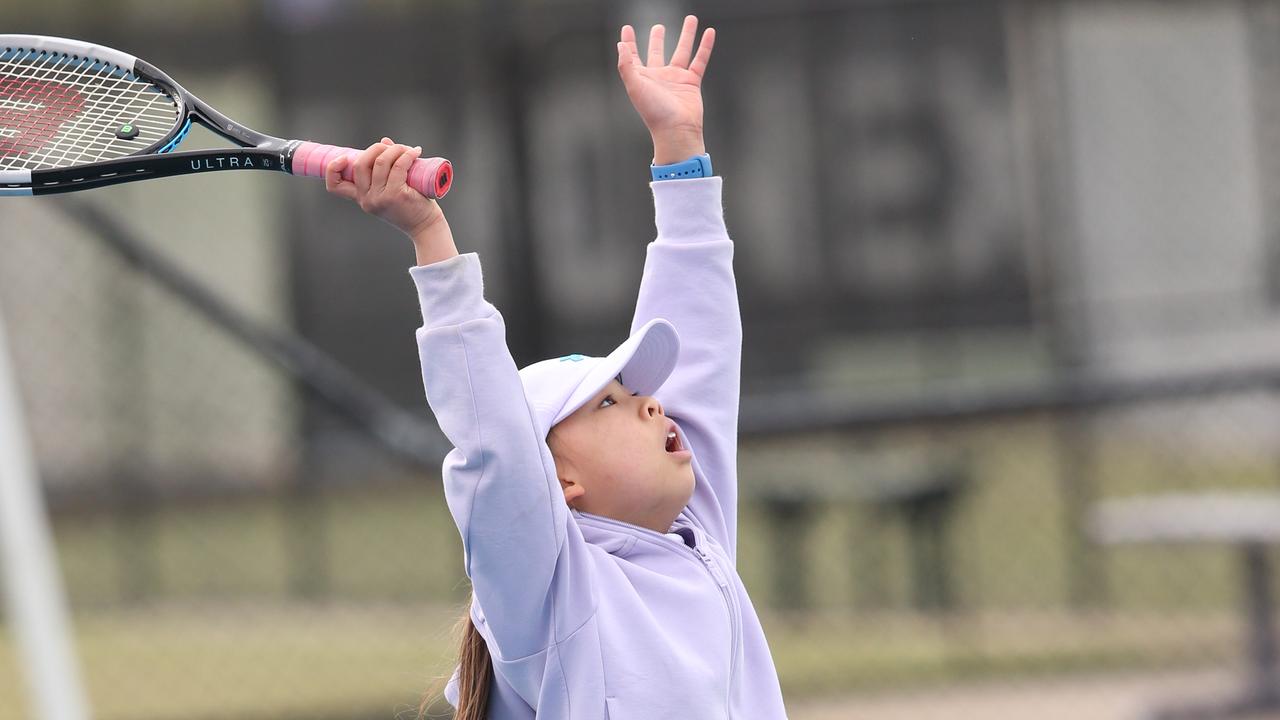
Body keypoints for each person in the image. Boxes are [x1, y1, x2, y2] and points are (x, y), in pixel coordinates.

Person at [324, 15, 788, 718]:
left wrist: (681, 151)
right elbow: (495, 450)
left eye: (636, 394)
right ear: (558, 480)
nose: (652, 405)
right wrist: (431, 239)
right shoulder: (549, 592)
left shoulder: (698, 533)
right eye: (608, 403)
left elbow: (703, 348)